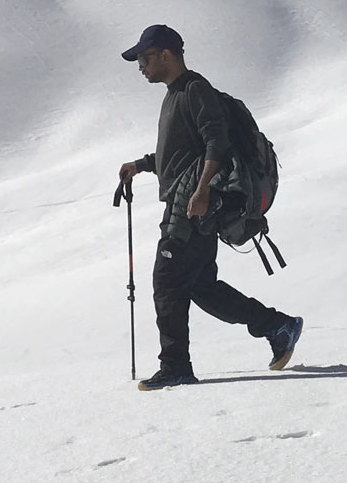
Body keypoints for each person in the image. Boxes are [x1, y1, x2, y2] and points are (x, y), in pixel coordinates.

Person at [117, 24, 303, 391]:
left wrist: (202, 190)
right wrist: (140, 165)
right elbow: (181, 154)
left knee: (167, 282)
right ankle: (276, 325)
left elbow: (216, 143)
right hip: (188, 203)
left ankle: (175, 366)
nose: (141, 66)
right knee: (203, 287)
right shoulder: (176, 94)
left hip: (192, 208)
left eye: (145, 57)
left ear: (166, 55)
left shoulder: (195, 90)